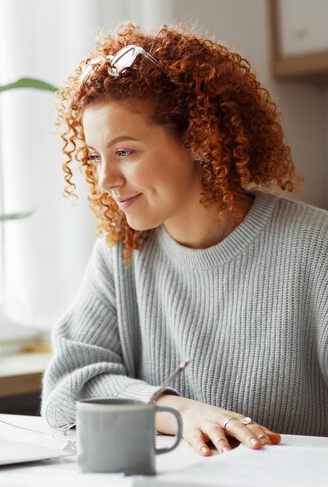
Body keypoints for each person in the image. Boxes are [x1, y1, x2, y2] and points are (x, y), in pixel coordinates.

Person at [41, 23, 328, 456]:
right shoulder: (120, 253)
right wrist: (176, 410)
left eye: (124, 152)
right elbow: (66, 393)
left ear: (197, 138)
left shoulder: (316, 249)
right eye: (95, 157)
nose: (105, 180)